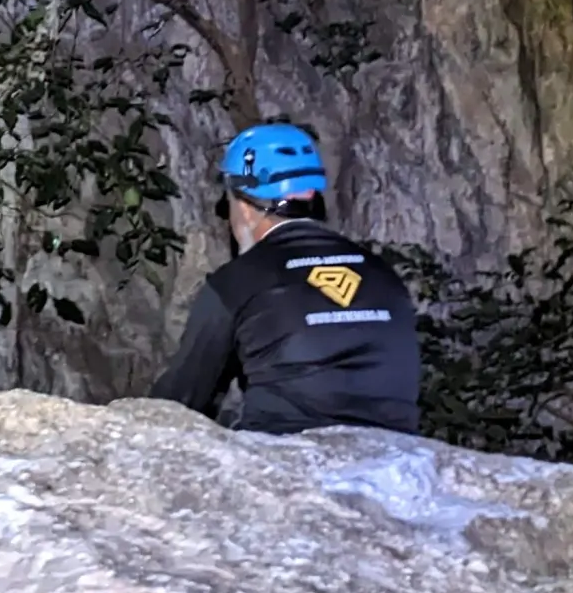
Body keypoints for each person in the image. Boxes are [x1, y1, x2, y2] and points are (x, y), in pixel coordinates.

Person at [149, 124, 420, 435]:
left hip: (287, 461)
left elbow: (179, 401)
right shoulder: (382, 274)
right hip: (393, 458)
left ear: (245, 208)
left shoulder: (236, 283)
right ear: (313, 194)